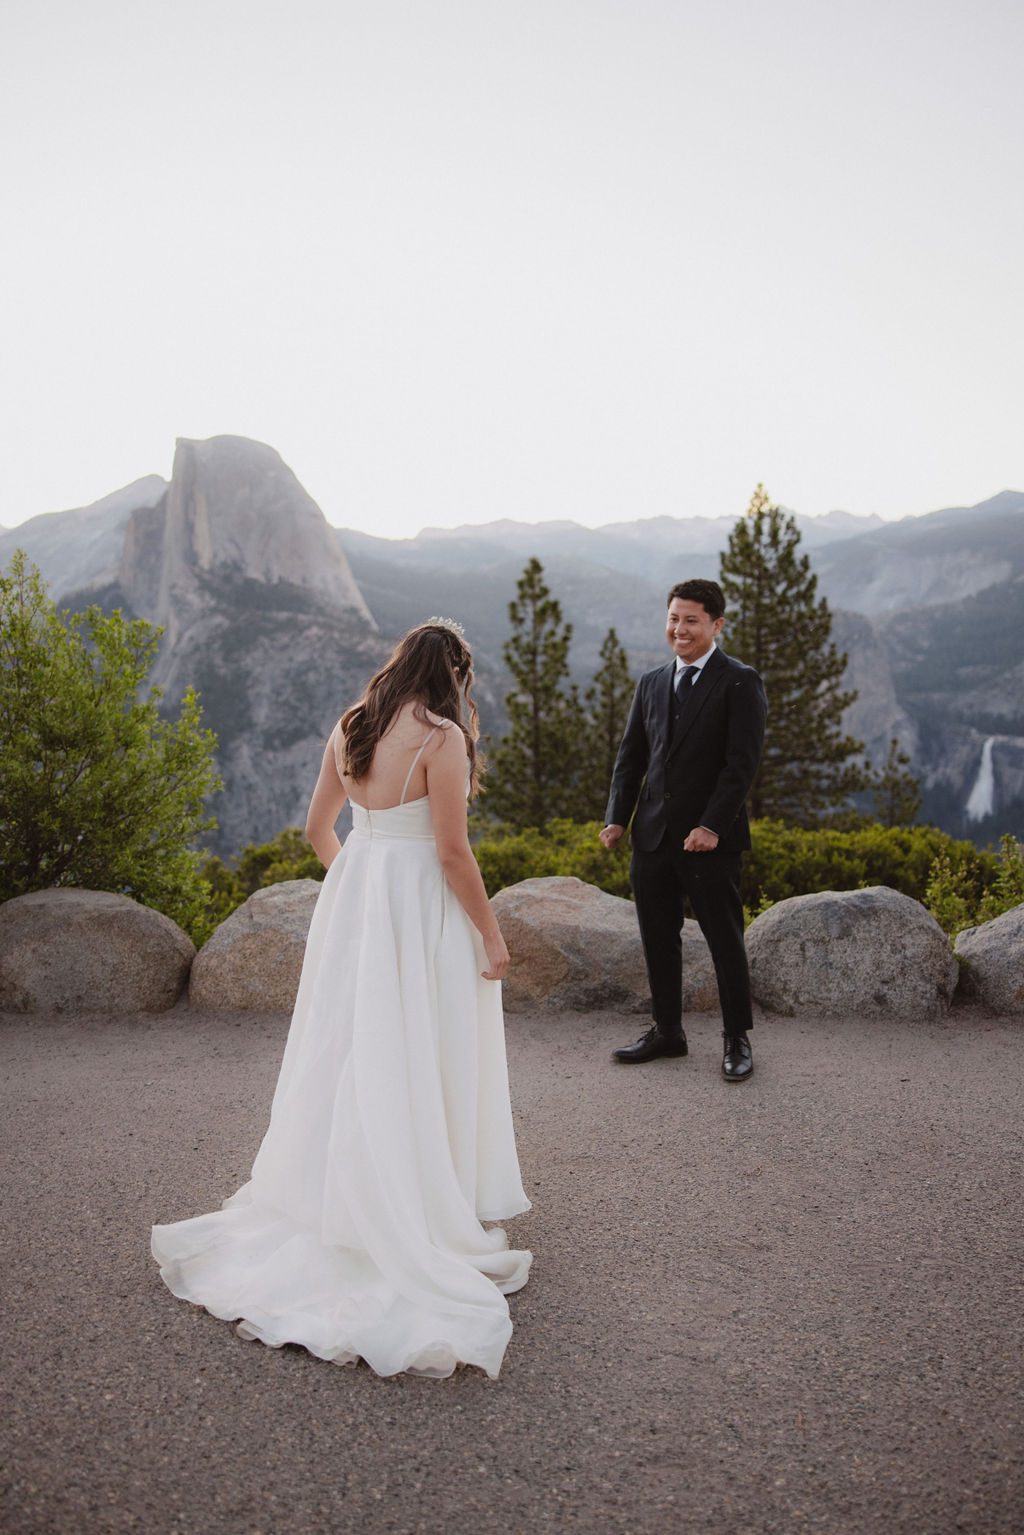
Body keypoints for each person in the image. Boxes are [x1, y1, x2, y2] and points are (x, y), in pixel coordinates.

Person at [152, 621, 532, 1380]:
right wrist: (490, 935)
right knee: (415, 1046)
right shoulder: (443, 739)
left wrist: (358, 878)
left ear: (399, 665)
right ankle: (410, 1201)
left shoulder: (352, 725)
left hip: (359, 896)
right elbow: (453, 853)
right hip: (419, 908)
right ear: (454, 673)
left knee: (351, 1048)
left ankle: (336, 1190)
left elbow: (317, 828)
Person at [600, 579, 766, 1080]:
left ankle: (737, 1039)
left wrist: (712, 826)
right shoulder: (651, 682)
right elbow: (631, 757)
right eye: (674, 618)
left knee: (723, 937)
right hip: (651, 836)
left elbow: (742, 765)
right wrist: (616, 816)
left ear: (717, 625)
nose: (680, 629)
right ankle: (667, 1032)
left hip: (710, 840)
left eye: (692, 620)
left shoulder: (740, 680)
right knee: (657, 936)